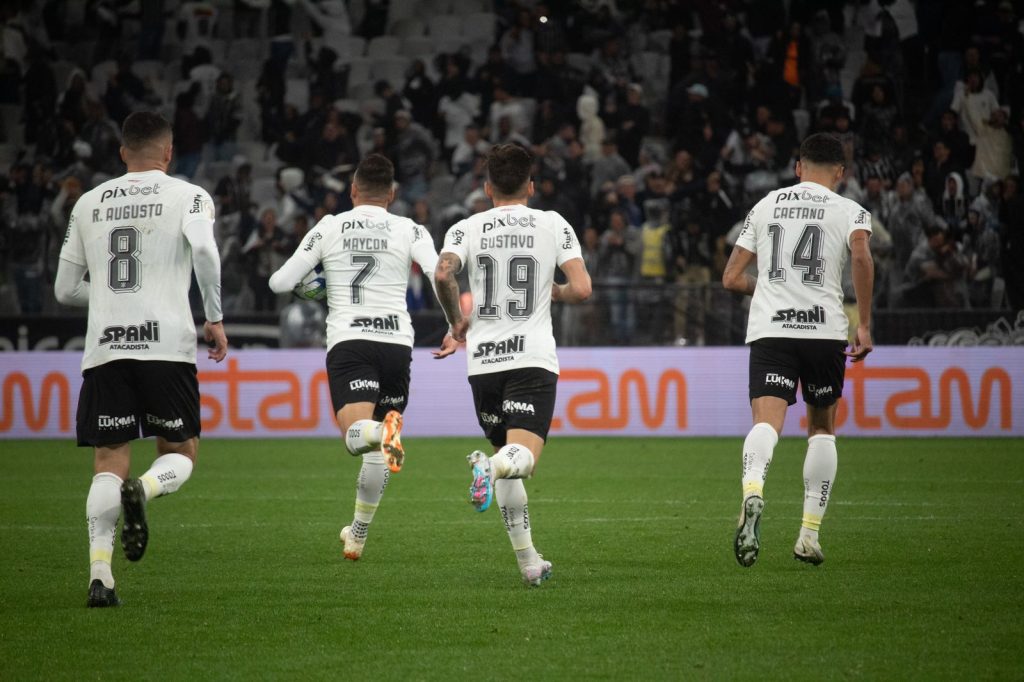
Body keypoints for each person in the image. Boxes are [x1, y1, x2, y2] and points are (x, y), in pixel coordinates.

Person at [53, 111, 229, 608]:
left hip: (106, 347)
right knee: (180, 452)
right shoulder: (190, 195)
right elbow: (206, 253)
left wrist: (112, 296)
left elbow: (65, 290)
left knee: (107, 462)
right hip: (165, 346)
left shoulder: (88, 202)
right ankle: (145, 491)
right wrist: (213, 316)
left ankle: (100, 576)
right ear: (169, 152)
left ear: (122, 152)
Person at [268, 154, 445, 561]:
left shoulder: (330, 226)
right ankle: (358, 534)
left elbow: (281, 281)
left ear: (352, 190)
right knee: (376, 451)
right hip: (397, 344)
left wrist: (318, 289)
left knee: (356, 438)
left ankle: (382, 435)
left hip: (351, 341)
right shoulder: (409, 227)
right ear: (393, 194)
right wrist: (456, 324)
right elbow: (440, 275)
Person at [433, 144, 592, 586]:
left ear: (486, 188)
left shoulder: (465, 228)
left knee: (508, 457)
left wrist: (456, 324)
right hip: (530, 359)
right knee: (519, 461)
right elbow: (581, 289)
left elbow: (443, 273)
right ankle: (490, 466)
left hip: (483, 364)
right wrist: (550, 291)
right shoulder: (552, 223)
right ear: (531, 186)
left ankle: (528, 563)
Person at [721, 133, 874, 568]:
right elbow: (861, 257)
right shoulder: (850, 211)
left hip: (771, 329)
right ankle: (808, 535)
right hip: (824, 330)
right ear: (840, 173)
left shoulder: (765, 205)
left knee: (766, 422)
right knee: (822, 427)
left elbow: (731, 278)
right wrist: (863, 323)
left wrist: (767, 288)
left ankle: (752, 493)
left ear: (798, 167)